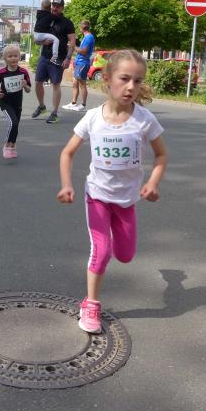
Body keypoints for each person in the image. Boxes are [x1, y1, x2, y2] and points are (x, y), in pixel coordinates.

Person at [57, 50, 168, 334]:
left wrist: (153, 182)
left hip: (126, 200)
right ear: (107, 79)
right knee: (101, 251)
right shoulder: (93, 118)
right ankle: (91, 304)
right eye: (125, 79)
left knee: (126, 255)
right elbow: (67, 153)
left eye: (137, 81)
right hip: (97, 195)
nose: (131, 86)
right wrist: (67, 185)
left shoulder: (144, 120)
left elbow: (161, 155)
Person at [31, 0, 76, 124]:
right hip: (44, 56)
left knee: (55, 84)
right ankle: (42, 106)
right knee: (38, 82)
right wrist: (42, 42)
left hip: (58, 58)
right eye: (53, 6)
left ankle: (54, 113)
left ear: (62, 8)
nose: (55, 8)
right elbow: (35, 38)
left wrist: (68, 58)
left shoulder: (67, 23)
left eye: (58, 6)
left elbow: (72, 42)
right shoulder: (46, 18)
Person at [0, 44, 31, 159]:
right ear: (5, 58)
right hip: (5, 102)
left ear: (19, 57)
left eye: (15, 56)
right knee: (13, 123)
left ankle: (13, 146)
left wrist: (25, 86)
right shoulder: (2, 72)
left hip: (17, 103)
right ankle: (6, 145)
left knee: (16, 125)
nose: (13, 58)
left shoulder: (23, 72)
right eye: (10, 56)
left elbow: (28, 90)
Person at [63, 20, 95, 112]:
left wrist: (73, 46)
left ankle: (83, 104)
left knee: (82, 84)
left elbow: (84, 51)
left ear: (82, 28)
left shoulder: (89, 37)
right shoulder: (86, 37)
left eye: (80, 27)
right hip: (79, 62)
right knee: (75, 83)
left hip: (83, 63)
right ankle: (73, 103)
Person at [33, 0, 60, 65]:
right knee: (56, 40)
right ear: (50, 8)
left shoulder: (39, 14)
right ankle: (54, 58)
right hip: (41, 35)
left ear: (41, 7)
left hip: (36, 34)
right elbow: (58, 18)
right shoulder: (50, 15)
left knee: (50, 39)